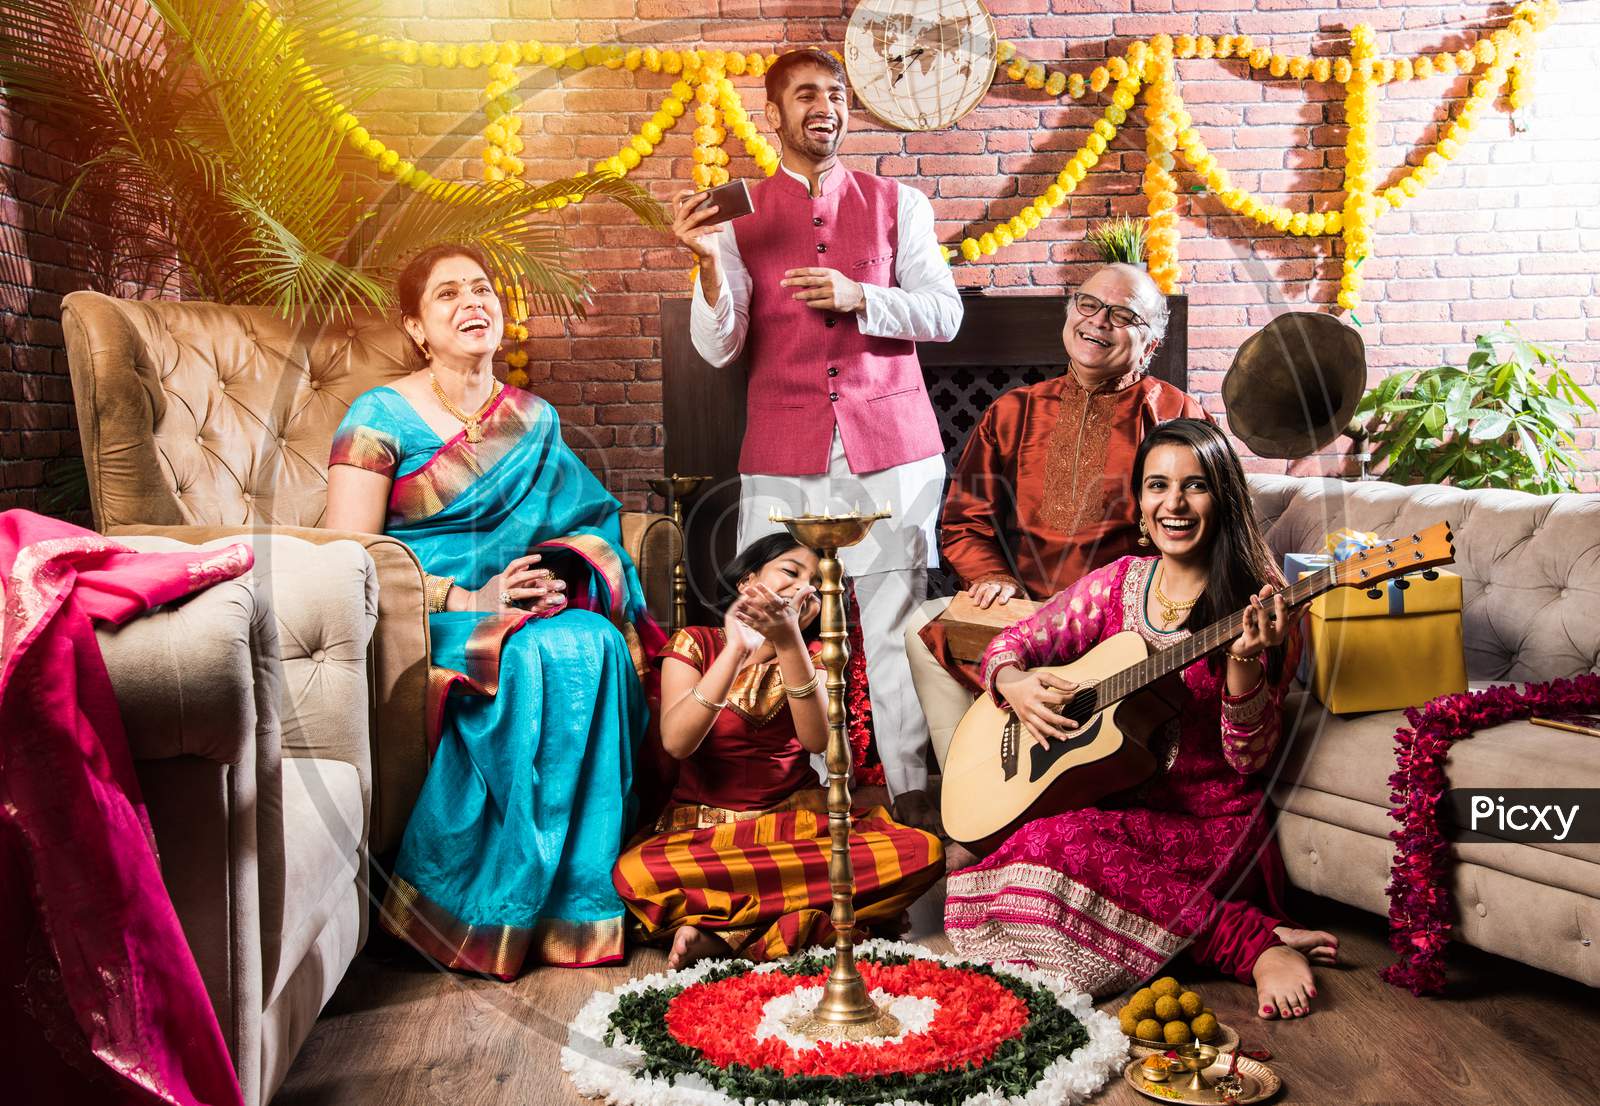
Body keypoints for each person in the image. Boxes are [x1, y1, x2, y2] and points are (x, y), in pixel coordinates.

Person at [324, 244, 664, 979]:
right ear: (416, 327)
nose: (472, 303)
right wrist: (468, 597)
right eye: (447, 296)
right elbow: (351, 556)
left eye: (481, 289)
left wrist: (558, 578)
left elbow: (589, 519)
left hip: (519, 604)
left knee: (592, 644)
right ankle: (483, 906)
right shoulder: (377, 415)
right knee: (531, 654)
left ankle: (577, 906)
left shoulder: (533, 419)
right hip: (424, 613)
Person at [942, 419, 1338, 1019]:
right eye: (1157, 485)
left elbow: (1249, 760)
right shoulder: (1118, 584)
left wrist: (1244, 665)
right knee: (992, 869)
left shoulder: (1262, 604)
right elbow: (1012, 645)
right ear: (1140, 499)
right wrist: (1015, 683)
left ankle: (1250, 945)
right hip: (1120, 813)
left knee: (1055, 849)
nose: (1173, 504)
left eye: (1194, 486)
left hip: (1208, 826)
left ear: (1223, 497)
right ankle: (1186, 937)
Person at [674, 47, 962, 832]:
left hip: (892, 448)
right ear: (774, 115)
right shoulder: (734, 217)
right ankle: (803, 787)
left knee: (893, 618)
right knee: (777, 617)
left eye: (835, 94)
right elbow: (718, 345)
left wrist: (859, 294)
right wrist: (705, 263)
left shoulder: (900, 204)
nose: (824, 106)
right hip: (781, 448)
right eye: (805, 95)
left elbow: (945, 314)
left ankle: (910, 792)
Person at [906, 263, 1209, 771]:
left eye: (1122, 315)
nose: (1097, 321)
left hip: (1122, 625)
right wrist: (993, 577)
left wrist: (1147, 606)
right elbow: (966, 518)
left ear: (1151, 343)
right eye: (1087, 305)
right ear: (1069, 316)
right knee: (921, 625)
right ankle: (973, 786)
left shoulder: (1175, 415)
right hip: (1025, 608)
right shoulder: (1013, 411)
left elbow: (1196, 529)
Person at [613, 534, 944, 969]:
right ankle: (796, 923)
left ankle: (726, 933)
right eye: (791, 572)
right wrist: (736, 649)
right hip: (704, 836)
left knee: (924, 852)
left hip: (797, 829)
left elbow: (817, 742)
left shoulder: (817, 659)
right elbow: (677, 742)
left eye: (819, 586)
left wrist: (788, 644)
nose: (803, 589)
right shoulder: (695, 643)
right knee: (635, 874)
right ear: (749, 580)